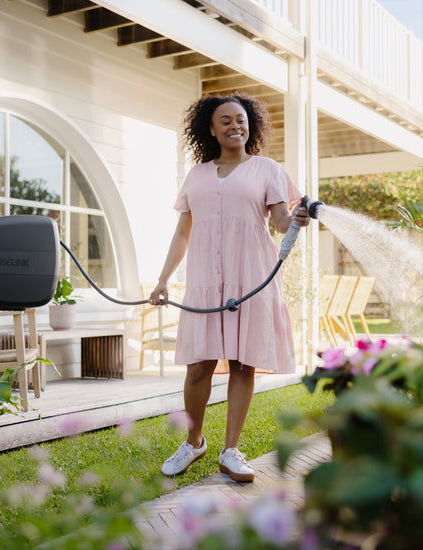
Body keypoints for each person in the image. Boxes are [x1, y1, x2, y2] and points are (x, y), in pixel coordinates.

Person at [149, 93, 310, 483]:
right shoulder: (197, 175)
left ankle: (231, 450)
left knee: (242, 362)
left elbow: (282, 222)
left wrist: (298, 218)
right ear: (211, 128)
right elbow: (183, 232)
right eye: (226, 120)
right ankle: (194, 441)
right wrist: (163, 279)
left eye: (241, 119)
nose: (235, 126)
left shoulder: (268, 170)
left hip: (251, 277)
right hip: (205, 281)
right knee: (198, 366)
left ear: (250, 124)